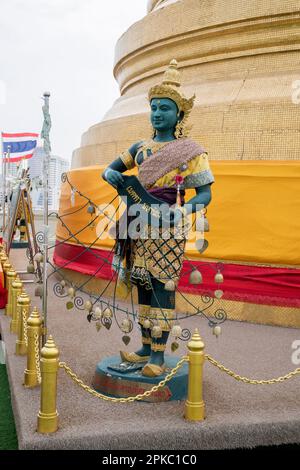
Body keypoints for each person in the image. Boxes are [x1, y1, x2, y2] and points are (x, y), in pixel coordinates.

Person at [102, 59, 214, 377]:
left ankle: (160, 357)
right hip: (137, 223)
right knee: (142, 284)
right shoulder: (140, 148)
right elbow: (110, 169)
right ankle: (145, 347)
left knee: (162, 287)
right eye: (154, 107)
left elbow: (204, 195)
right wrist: (112, 175)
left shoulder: (190, 151)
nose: (157, 114)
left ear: (179, 113)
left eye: (165, 108)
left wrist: (179, 211)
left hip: (167, 226)